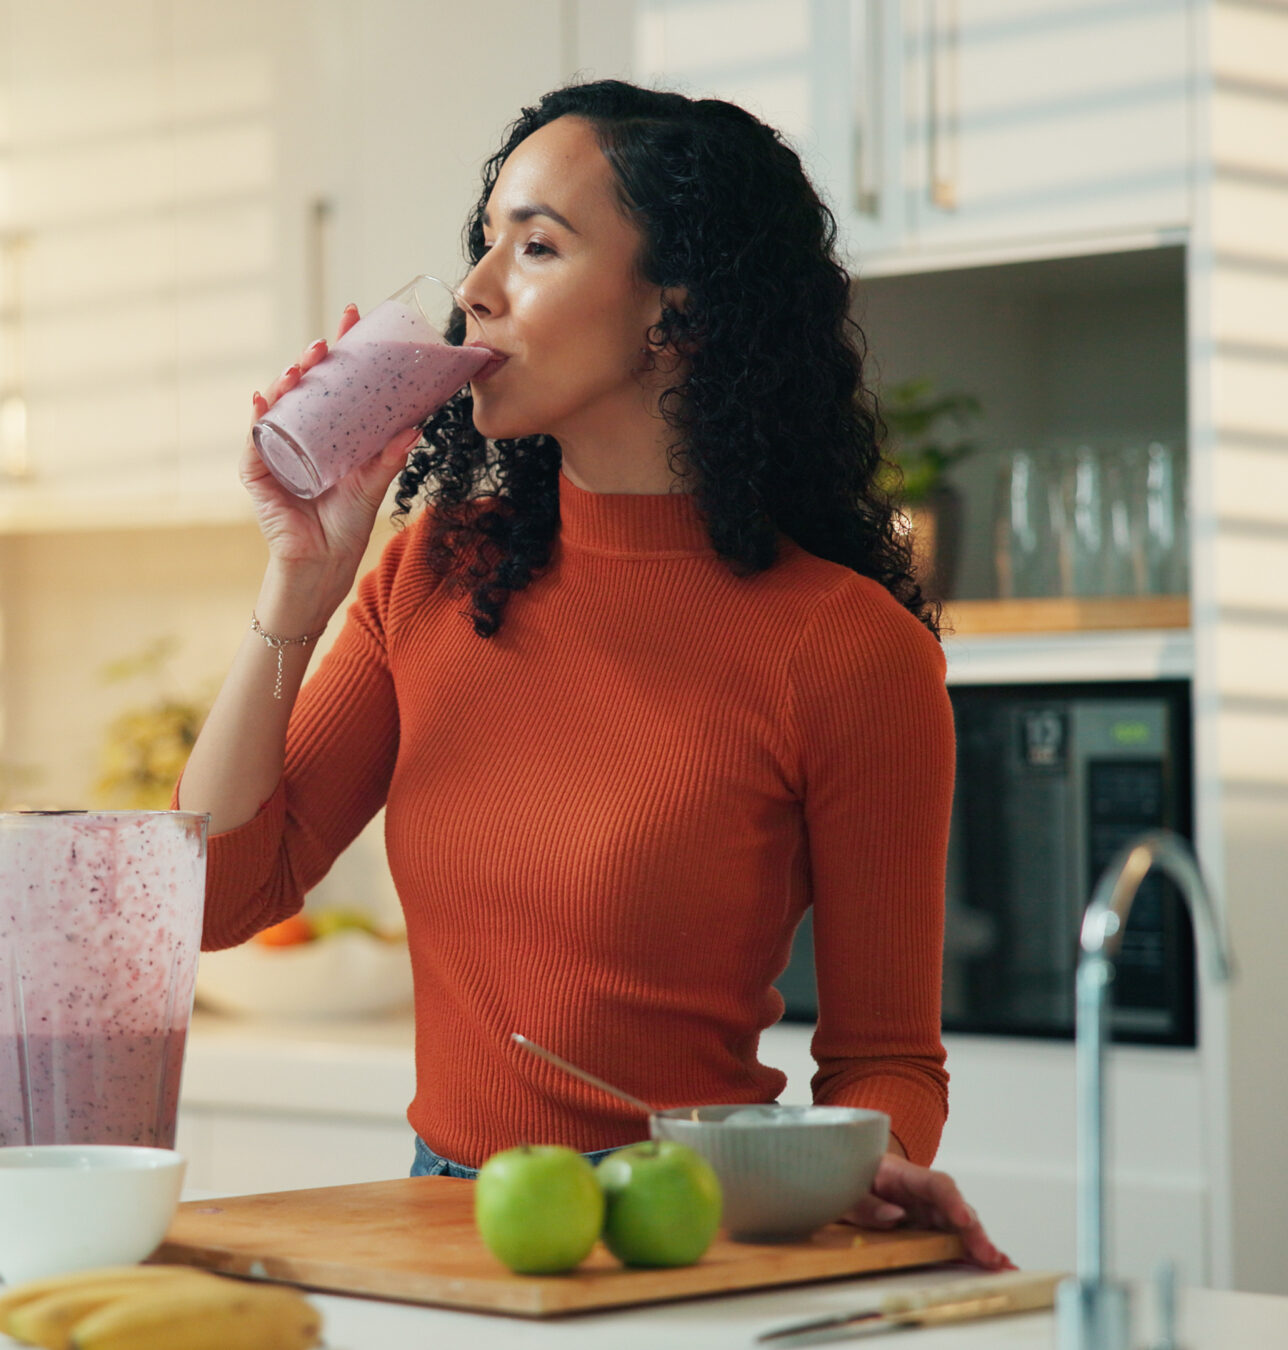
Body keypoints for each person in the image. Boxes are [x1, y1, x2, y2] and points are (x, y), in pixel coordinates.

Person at [176, 80, 1011, 1269]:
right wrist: (295, 592)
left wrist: (857, 1167)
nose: (474, 288)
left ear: (678, 312)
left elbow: (886, 1056)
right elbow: (209, 903)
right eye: (483, 243)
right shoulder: (427, 575)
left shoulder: (845, 647)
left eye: (537, 245)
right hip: (451, 1225)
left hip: (698, 1231)